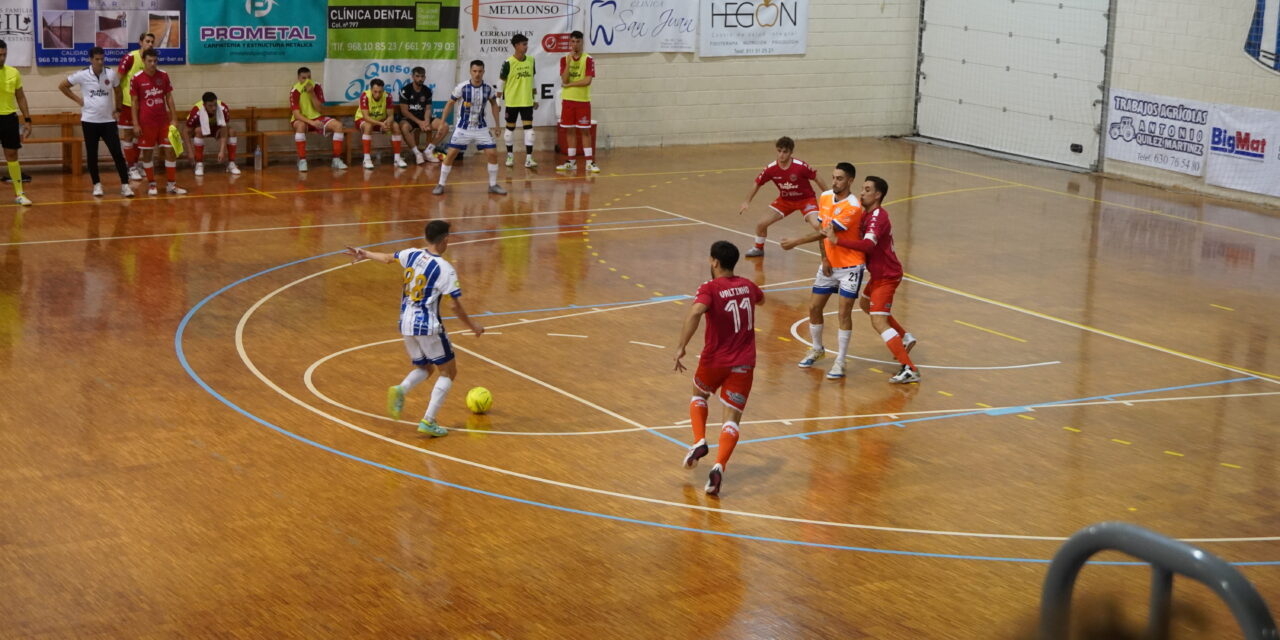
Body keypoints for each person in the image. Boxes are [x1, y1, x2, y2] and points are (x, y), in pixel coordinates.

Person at [343, 220, 485, 436]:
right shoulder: (445, 269)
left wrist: (365, 253)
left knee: (425, 368)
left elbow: (388, 258)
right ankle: (429, 420)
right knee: (448, 371)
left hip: (406, 323)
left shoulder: (413, 254)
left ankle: (401, 389)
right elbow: (455, 306)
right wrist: (473, 325)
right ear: (445, 239)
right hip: (427, 326)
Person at [673, 240, 765, 497]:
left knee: (698, 393)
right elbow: (761, 299)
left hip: (715, 360)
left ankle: (699, 440)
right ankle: (719, 466)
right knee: (732, 418)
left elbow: (695, 313)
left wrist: (681, 346)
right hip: (744, 363)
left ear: (714, 261)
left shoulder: (709, 288)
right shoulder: (747, 285)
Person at [824, 176, 920, 383]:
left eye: (867, 190)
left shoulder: (878, 217)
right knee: (866, 303)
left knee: (878, 320)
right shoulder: (867, 214)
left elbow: (868, 246)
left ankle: (909, 368)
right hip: (879, 274)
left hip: (887, 276)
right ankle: (904, 337)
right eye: (862, 188)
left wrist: (836, 241)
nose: (862, 193)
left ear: (878, 195)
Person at [780, 162, 865, 379]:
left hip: (850, 267)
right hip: (829, 265)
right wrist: (824, 259)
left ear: (850, 181)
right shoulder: (826, 196)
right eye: (834, 177)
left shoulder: (853, 206)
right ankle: (817, 349)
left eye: (840, 178)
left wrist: (796, 241)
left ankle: (840, 360)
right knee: (814, 308)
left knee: (843, 313)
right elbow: (821, 228)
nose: (835, 182)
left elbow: (827, 232)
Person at [59, 46, 133, 198]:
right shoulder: (82, 74)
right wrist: (78, 100)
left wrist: (118, 109)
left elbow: (118, 91)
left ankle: (125, 185)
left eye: (102, 59)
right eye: (97, 59)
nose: (100, 62)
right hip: (89, 121)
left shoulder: (111, 73)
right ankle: (96, 185)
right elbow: (62, 86)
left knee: (117, 154)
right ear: (91, 59)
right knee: (92, 154)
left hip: (108, 121)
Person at [738, 136, 827, 257]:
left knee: (818, 226)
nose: (781, 155)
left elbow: (817, 178)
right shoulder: (771, 169)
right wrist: (746, 201)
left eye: (785, 152)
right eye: (779, 151)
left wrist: (829, 195)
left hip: (806, 200)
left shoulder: (800, 166)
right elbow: (757, 183)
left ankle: (829, 251)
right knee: (761, 224)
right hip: (785, 201)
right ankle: (758, 248)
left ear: (791, 152)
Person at [434, 60, 506, 196]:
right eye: (474, 71)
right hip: (463, 128)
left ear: (483, 72)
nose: (477, 74)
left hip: (481, 128)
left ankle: (493, 185)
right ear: (470, 71)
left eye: (480, 71)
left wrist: (497, 125)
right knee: (450, 154)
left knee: (492, 154)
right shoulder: (462, 87)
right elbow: (450, 103)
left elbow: (494, 105)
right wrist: (442, 122)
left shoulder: (489, 88)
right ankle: (441, 184)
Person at [129, 49, 186, 196]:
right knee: (147, 154)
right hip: (146, 123)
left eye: (155, 61)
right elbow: (134, 103)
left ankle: (171, 185)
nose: (153, 64)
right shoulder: (136, 78)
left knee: (170, 150)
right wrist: (135, 123)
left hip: (163, 122)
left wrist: (174, 118)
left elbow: (169, 97)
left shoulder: (164, 75)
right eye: (150, 61)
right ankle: (152, 184)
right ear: (143, 61)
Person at [289, 66, 347, 172]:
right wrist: (311, 122)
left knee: (338, 125)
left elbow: (320, 109)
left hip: (318, 117)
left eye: (309, 77)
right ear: (298, 78)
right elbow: (296, 115)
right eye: (303, 78)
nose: (307, 80)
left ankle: (336, 159)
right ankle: (302, 160)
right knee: (300, 126)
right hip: (302, 120)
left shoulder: (317, 86)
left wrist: (312, 94)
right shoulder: (294, 91)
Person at [558, 31, 598, 173]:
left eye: (578, 41)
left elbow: (587, 80)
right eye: (572, 41)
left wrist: (570, 86)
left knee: (585, 131)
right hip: (568, 101)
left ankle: (589, 162)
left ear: (582, 42)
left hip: (582, 101)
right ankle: (571, 161)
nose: (575, 44)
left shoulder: (588, 59)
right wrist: (569, 64)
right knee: (570, 131)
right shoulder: (564, 59)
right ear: (570, 42)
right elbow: (564, 79)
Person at [115, 32, 154, 180]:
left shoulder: (150, 61)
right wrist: (117, 105)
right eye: (147, 41)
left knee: (140, 135)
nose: (150, 44)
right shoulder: (130, 57)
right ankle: (130, 167)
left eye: (152, 42)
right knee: (128, 136)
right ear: (140, 42)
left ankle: (136, 164)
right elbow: (117, 81)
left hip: (143, 105)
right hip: (127, 103)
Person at [499, 33, 538, 168]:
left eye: (527, 44)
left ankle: (529, 158)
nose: (526, 47)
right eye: (524, 44)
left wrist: (535, 98)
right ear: (516, 46)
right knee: (509, 130)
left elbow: (533, 80)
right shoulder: (508, 62)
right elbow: (501, 82)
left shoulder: (531, 60)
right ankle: (510, 156)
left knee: (530, 130)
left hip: (526, 101)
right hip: (512, 102)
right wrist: (498, 101)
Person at [0, 41, 31, 206]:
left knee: (12, 155)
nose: (2, 58)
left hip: (8, 118)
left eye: (4, 54)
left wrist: (27, 119)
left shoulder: (14, 73)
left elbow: (20, 96)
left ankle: (20, 193)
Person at [396, 66, 446, 164]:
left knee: (444, 126)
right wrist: (419, 122)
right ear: (413, 77)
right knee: (404, 127)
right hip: (410, 119)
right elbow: (404, 111)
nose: (420, 79)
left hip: (423, 119)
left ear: (425, 77)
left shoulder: (427, 91)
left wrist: (426, 121)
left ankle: (428, 151)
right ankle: (417, 153)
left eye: (422, 76)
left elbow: (428, 109)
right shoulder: (405, 90)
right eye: (417, 76)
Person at [184, 91, 240, 177]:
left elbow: (224, 128)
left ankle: (231, 163)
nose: (213, 108)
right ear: (204, 105)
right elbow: (185, 131)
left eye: (215, 105)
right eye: (210, 106)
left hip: (217, 129)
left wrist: (222, 151)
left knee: (232, 131)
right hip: (202, 129)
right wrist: (190, 151)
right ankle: (199, 164)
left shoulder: (223, 108)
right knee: (198, 131)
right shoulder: (196, 111)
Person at [355, 78, 404, 170]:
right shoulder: (365, 96)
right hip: (362, 120)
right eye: (375, 91)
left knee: (396, 126)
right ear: (371, 90)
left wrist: (387, 123)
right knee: (369, 126)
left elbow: (390, 115)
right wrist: (381, 124)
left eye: (380, 92)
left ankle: (397, 158)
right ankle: (367, 159)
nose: (377, 94)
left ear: (383, 90)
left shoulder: (387, 96)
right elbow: (366, 117)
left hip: (380, 121)